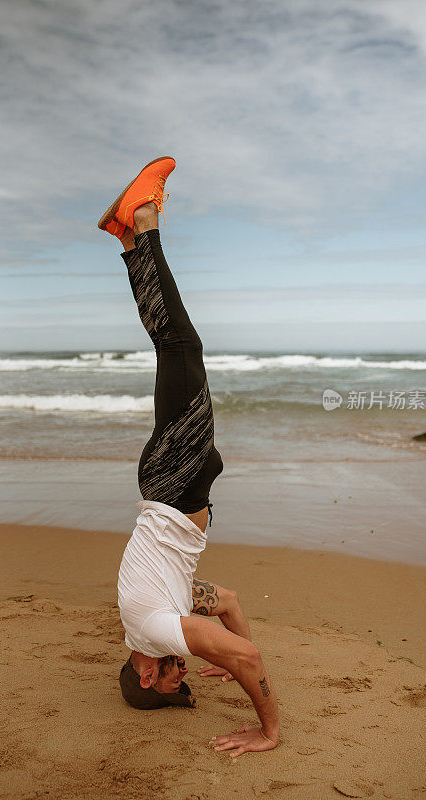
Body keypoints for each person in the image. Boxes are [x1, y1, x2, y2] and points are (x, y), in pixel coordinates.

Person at [98, 157, 279, 757]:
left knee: (181, 345)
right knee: (170, 346)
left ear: (148, 671)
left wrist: (267, 728)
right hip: (175, 483)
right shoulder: (160, 607)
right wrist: (227, 661)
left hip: (175, 482)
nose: (185, 667)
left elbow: (245, 652)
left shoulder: (153, 626)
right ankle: (128, 238)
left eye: (174, 676)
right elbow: (226, 605)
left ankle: (144, 221)